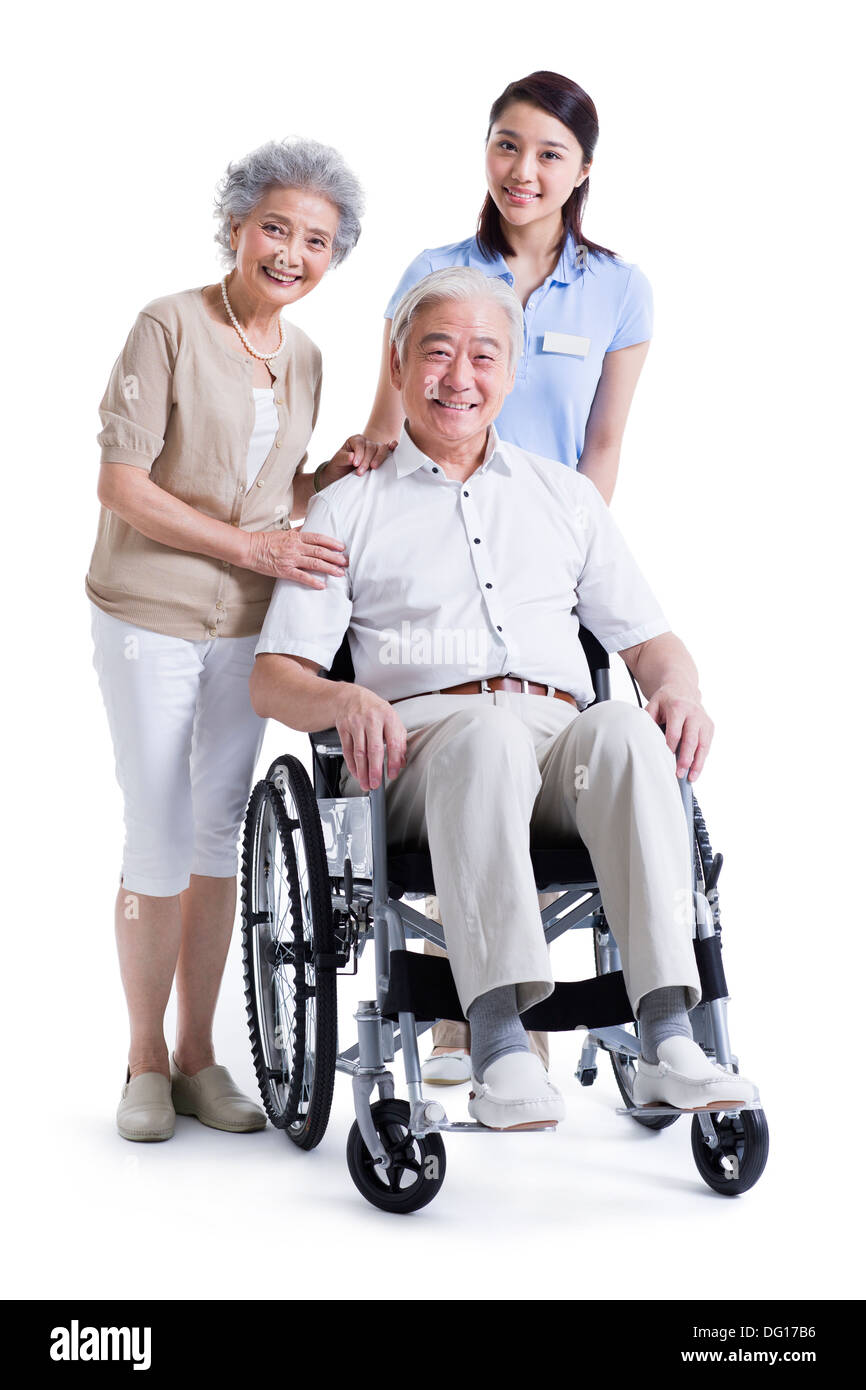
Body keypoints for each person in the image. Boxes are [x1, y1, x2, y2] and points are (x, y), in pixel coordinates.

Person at [250, 269, 758, 1129]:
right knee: (485, 737)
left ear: (512, 373)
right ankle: (498, 1045)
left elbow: (647, 640)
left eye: (484, 355)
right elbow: (274, 676)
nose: (461, 377)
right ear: (401, 363)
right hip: (420, 750)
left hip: (561, 750)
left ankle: (672, 1034)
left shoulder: (565, 499)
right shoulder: (348, 507)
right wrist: (341, 699)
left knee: (630, 730)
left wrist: (679, 686)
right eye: (438, 352)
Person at [86, 136, 396, 1143]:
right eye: (276, 228)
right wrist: (253, 550)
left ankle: (196, 1056)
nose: (291, 253)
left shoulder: (302, 355)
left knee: (219, 829)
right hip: (149, 612)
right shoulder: (166, 325)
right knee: (158, 829)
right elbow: (124, 487)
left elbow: (273, 497)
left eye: (315, 241)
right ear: (235, 226)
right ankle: (139, 1059)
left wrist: (329, 477)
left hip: (246, 627)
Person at [363, 70, 654, 1081]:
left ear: (581, 172)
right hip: (426, 550)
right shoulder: (434, 269)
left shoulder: (617, 288)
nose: (522, 171)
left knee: (570, 746)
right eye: (505, 145)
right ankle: (468, 1023)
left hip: (546, 556)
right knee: (470, 737)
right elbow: (386, 414)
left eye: (547, 154)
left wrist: (569, 553)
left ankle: (561, 1020)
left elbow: (603, 439)